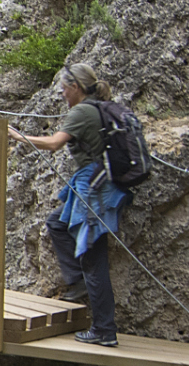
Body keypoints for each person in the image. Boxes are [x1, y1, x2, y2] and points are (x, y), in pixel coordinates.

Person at [14, 63, 130, 347]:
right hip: (102, 184)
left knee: (94, 259)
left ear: (76, 87)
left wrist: (18, 137)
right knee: (57, 224)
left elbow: (55, 144)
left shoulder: (82, 111)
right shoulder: (98, 107)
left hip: (96, 188)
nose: (62, 94)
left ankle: (104, 331)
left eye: (64, 88)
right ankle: (77, 282)